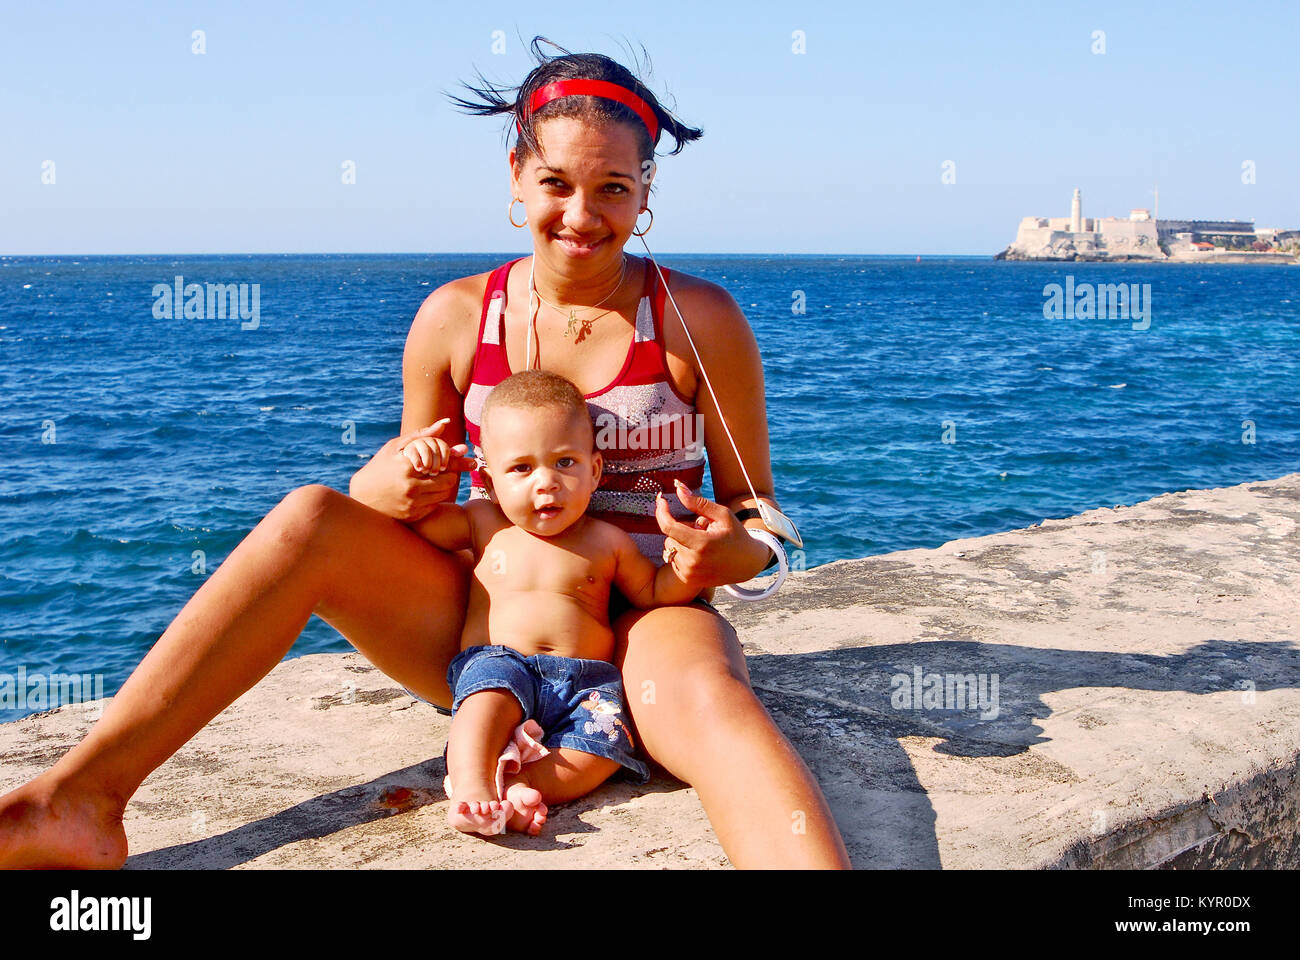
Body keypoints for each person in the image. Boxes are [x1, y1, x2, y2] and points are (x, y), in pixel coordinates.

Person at [0, 37, 850, 869]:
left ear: (645, 192)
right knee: (307, 515)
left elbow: (758, 516)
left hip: (650, 616)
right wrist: (383, 488)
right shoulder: (453, 319)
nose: (582, 217)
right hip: (497, 628)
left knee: (709, 698)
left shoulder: (698, 320)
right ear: (516, 176)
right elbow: (414, 501)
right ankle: (78, 801)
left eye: (613, 188)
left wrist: (731, 551)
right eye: (555, 182)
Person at [408, 369, 701, 838]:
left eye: (565, 463)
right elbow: (416, 523)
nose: (546, 483)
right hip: (502, 662)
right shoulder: (483, 523)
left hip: (584, 680)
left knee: (602, 749)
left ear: (596, 470)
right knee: (482, 706)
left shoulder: (609, 541)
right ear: (489, 477)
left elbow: (652, 591)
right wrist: (422, 467)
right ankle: (470, 784)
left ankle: (516, 786)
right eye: (521, 468)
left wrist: (686, 568)